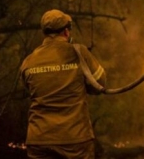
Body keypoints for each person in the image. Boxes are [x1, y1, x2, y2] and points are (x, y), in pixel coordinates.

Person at [20, 9, 106, 159]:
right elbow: (100, 83)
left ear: (44, 33)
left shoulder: (28, 61)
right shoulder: (79, 53)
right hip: (74, 140)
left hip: (39, 140)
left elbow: (30, 90)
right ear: (66, 32)